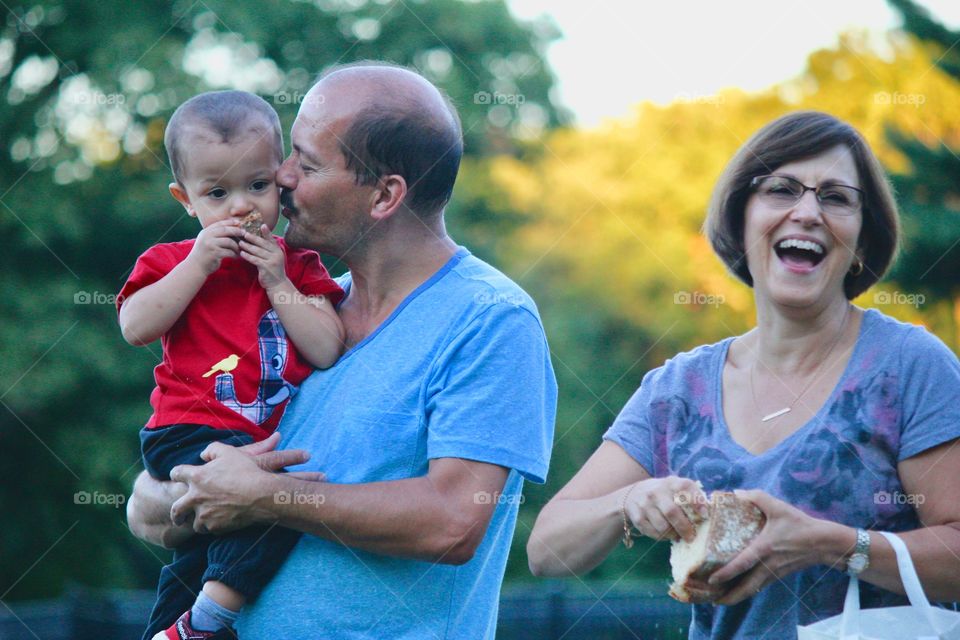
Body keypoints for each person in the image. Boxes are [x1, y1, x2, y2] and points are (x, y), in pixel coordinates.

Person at [126, 62, 558, 639]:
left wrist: (268, 497)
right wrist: (199, 491)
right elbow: (144, 510)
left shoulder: (490, 320)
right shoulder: (298, 305)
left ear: (384, 195)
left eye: (305, 164)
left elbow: (453, 523)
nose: (278, 177)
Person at [527, 111, 960, 639]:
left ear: (862, 245)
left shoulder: (910, 364)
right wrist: (629, 502)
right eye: (781, 189)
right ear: (740, 221)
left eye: (836, 197)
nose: (807, 211)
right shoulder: (677, 389)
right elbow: (547, 550)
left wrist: (829, 543)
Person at [118, 90, 346, 639]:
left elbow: (326, 348)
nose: (241, 206)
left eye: (258, 186)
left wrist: (278, 281)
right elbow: (135, 326)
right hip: (185, 429)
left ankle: (172, 629)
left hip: (256, 438)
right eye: (217, 193)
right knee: (280, 506)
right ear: (186, 199)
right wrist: (198, 263)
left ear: (280, 181)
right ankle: (210, 619)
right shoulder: (171, 261)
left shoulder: (297, 266)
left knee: (198, 556)